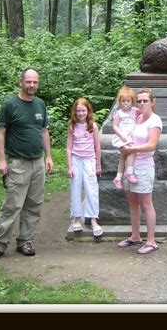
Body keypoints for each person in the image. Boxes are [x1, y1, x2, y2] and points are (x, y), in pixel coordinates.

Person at [0, 68, 54, 261]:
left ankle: (26, 241)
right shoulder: (10, 105)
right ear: (21, 82)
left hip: (37, 162)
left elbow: (43, 131)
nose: (32, 85)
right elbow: (0, 132)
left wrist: (48, 156)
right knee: (12, 205)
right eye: (28, 82)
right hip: (18, 164)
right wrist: (1, 159)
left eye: (35, 82)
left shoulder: (40, 104)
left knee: (33, 205)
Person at [117, 87, 162, 255]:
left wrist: (132, 149)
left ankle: (151, 241)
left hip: (144, 166)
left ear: (152, 102)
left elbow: (152, 144)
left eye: (145, 100)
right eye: (140, 100)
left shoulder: (155, 121)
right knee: (133, 202)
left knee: (146, 203)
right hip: (131, 166)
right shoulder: (137, 117)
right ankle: (135, 236)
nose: (142, 103)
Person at [66, 97, 103, 237]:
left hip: (89, 160)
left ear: (88, 111)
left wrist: (98, 164)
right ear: (75, 112)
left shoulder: (92, 126)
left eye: (83, 110)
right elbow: (69, 148)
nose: (81, 113)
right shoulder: (72, 126)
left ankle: (93, 219)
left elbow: (97, 147)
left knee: (91, 189)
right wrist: (70, 166)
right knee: (76, 188)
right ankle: (76, 217)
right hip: (76, 160)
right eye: (78, 110)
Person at [111, 86, 138, 189]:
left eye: (128, 100)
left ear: (132, 101)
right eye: (123, 101)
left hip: (131, 136)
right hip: (123, 137)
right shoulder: (118, 113)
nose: (125, 103)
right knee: (132, 151)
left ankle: (118, 178)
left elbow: (142, 115)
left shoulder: (134, 111)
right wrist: (121, 136)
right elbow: (115, 126)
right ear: (119, 102)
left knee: (122, 157)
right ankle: (129, 172)